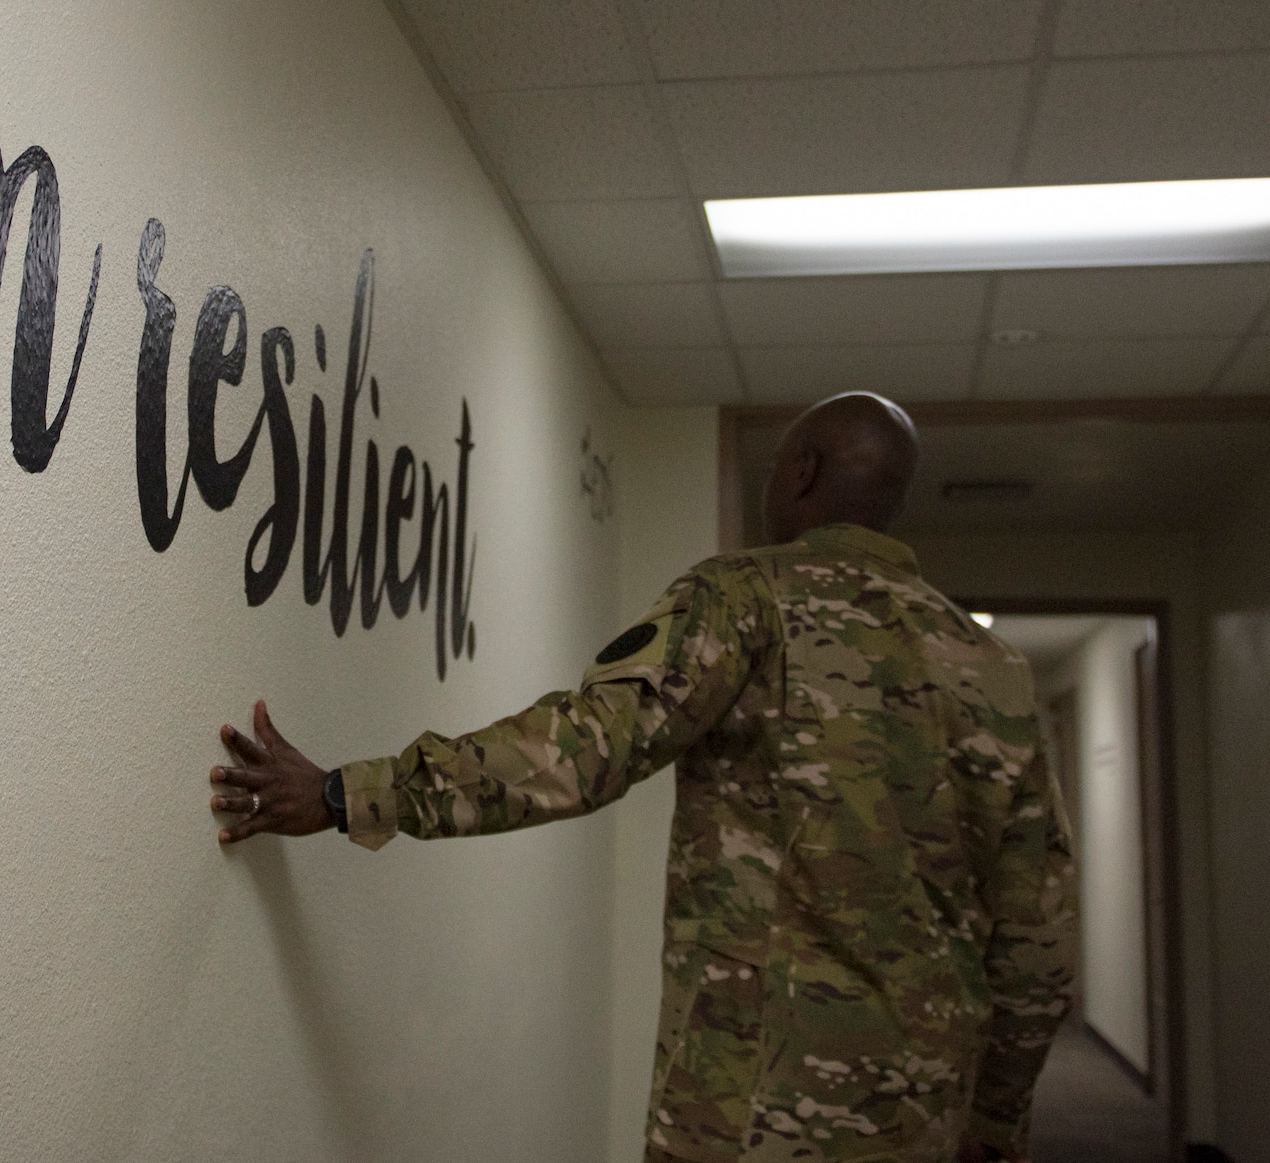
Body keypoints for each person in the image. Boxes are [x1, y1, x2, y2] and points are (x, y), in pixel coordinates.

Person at [207, 392, 1077, 1163]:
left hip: (749, 1118)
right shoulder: (993, 668)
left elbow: (583, 748)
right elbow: (1038, 944)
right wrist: (990, 1125)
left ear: (803, 472)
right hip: (926, 1114)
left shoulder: (746, 598)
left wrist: (346, 793)